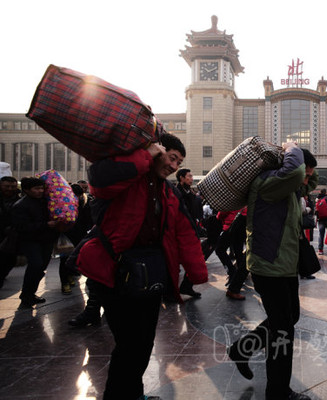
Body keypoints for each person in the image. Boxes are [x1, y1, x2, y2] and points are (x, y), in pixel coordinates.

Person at [76, 133, 208, 400]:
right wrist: (145, 154)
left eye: (179, 163)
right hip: (113, 273)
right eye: (172, 158)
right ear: (157, 150)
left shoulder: (168, 191)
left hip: (149, 276)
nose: (174, 167)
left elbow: (185, 232)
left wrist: (197, 272)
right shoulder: (124, 178)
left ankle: (134, 393)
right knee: (128, 345)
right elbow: (99, 178)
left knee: (144, 343)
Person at [227, 143, 315, 400]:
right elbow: (296, 174)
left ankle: (242, 349)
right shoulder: (269, 182)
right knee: (283, 330)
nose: (306, 180)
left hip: (284, 265)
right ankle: (278, 392)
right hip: (270, 266)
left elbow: (304, 179)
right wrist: (293, 147)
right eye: (304, 173)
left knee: (289, 318)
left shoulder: (288, 188)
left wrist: (305, 165)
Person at [11, 177, 60, 307]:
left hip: (46, 240)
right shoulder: (20, 206)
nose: (40, 191)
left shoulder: (46, 202)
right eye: (36, 188)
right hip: (31, 241)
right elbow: (21, 227)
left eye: (41, 188)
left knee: (41, 267)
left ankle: (30, 293)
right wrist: (46, 225)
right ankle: (26, 295)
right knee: (36, 265)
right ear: (27, 190)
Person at [175, 167, 202, 298]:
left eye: (192, 176)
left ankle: (186, 286)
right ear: (181, 178)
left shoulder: (190, 193)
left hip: (189, 230)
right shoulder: (176, 192)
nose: (191, 179)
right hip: (177, 232)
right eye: (189, 176)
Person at [0, 176, 20, 288]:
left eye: (12, 186)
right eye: (7, 186)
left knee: (8, 261)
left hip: (10, 237)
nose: (10, 189)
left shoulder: (19, 200)